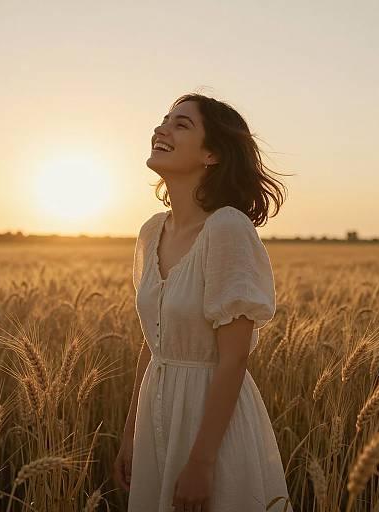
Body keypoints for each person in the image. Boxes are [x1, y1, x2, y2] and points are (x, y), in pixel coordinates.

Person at [114, 93, 293, 512]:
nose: (162, 129)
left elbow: (234, 359)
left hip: (209, 422)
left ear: (212, 154)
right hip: (155, 414)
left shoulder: (227, 228)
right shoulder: (151, 231)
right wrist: (130, 435)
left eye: (182, 124)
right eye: (164, 120)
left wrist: (202, 460)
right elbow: (153, 342)